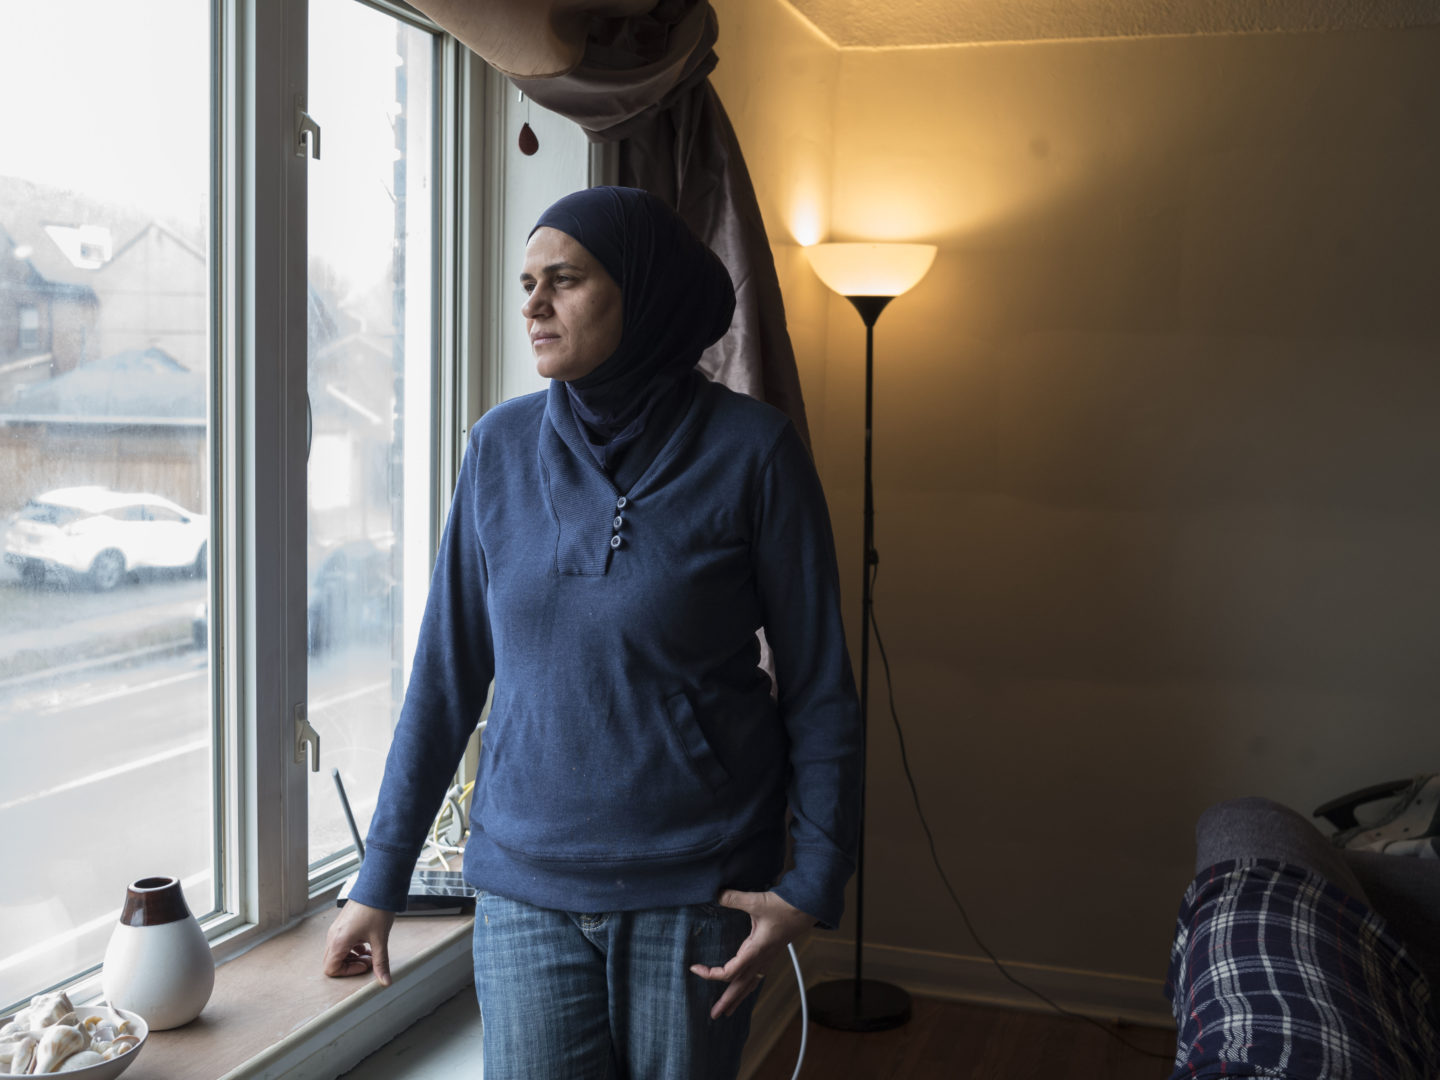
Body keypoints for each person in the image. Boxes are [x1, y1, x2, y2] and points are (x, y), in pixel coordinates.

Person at [322, 186, 862, 1079]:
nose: (533, 304)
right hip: (523, 893)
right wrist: (380, 877)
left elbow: (819, 686)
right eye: (527, 282)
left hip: (698, 891)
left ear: (641, 295)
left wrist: (814, 879)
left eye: (564, 281)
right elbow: (445, 674)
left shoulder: (754, 453)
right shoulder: (497, 448)